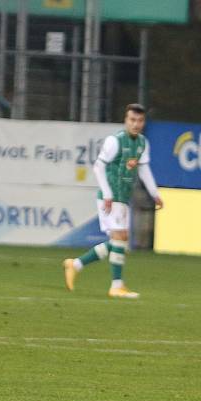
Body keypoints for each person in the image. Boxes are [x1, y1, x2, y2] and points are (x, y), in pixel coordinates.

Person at [63, 103, 163, 298]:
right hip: (110, 198)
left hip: (123, 198)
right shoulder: (114, 141)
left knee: (119, 240)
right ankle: (116, 286)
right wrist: (107, 194)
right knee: (120, 238)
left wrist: (154, 193)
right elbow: (98, 167)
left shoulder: (142, 143)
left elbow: (143, 169)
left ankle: (75, 264)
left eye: (140, 121)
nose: (136, 124)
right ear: (126, 120)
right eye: (132, 120)